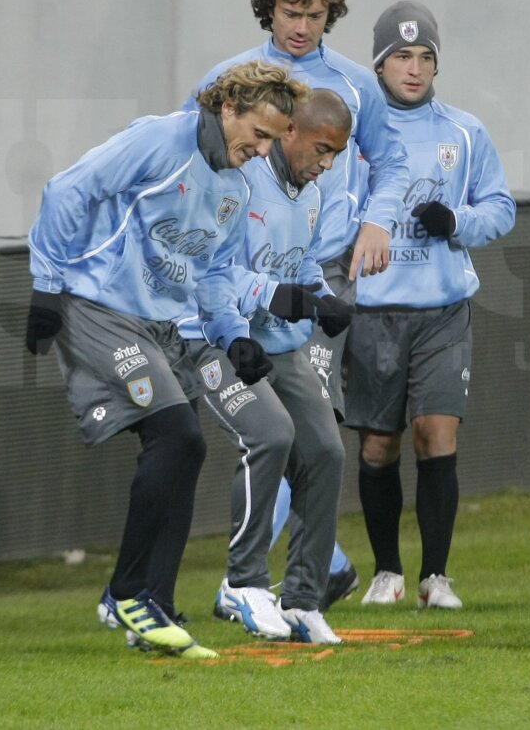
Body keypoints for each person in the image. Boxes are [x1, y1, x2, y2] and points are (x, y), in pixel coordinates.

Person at [24, 61, 311, 658]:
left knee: (187, 444)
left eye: (270, 142)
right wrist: (47, 287)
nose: (261, 152)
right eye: (257, 135)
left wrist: (234, 337)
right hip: (94, 306)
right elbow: (68, 189)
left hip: (154, 324)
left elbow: (213, 273)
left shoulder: (233, 187)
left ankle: (149, 605)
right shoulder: (160, 139)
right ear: (228, 106)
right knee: (178, 434)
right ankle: (126, 592)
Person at [184, 0, 409, 607]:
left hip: (316, 267)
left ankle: (309, 576)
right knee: (276, 427)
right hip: (235, 276)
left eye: (315, 15)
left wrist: (378, 223)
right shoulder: (232, 80)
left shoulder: (354, 87)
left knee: (304, 429)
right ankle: (292, 573)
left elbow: (392, 163)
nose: (303, 27)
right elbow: (189, 157)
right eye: (291, 13)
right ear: (269, 11)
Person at [348, 1, 516, 609]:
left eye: (425, 58)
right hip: (375, 310)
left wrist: (457, 221)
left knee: (435, 432)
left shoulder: (465, 133)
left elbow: (501, 206)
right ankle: (387, 571)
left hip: (444, 309)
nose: (414, 70)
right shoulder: (354, 137)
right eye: (401, 57)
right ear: (379, 64)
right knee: (377, 445)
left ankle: (436, 577)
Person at [182, 90, 354, 645]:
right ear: (288, 133)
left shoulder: (313, 192)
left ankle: (303, 599)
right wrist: (289, 298)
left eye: (335, 155)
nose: (326, 164)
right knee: (271, 434)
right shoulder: (239, 180)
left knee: (326, 452)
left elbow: (301, 259)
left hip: (279, 346)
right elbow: (215, 270)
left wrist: (321, 295)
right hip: (220, 340)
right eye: (321, 150)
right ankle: (243, 581)